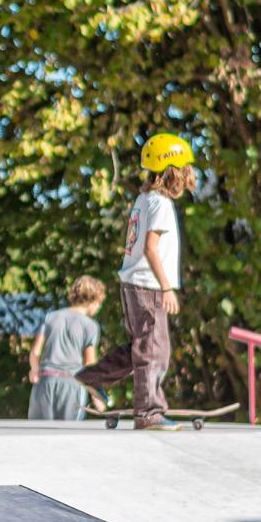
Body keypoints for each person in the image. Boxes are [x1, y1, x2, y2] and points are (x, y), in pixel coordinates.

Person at [75, 134, 197, 431]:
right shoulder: (161, 204)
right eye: (185, 171)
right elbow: (151, 249)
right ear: (171, 172)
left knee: (141, 347)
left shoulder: (144, 200)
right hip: (148, 286)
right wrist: (167, 287)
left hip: (134, 284)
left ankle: (95, 376)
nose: (188, 178)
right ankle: (149, 413)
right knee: (154, 350)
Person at [27, 276, 107, 420]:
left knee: (39, 431)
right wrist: (96, 395)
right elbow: (90, 364)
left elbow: (35, 352)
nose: (99, 308)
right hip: (72, 385)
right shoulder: (90, 325)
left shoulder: (50, 317)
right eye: (99, 303)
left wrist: (34, 369)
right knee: (68, 432)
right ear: (93, 300)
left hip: (45, 381)